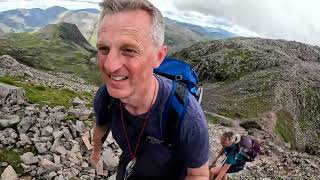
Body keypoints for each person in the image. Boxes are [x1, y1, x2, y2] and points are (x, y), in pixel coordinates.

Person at [90, 0, 209, 179]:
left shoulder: (187, 116)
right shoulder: (106, 96)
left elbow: (198, 175)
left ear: (159, 56)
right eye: (103, 48)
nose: (110, 65)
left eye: (129, 50)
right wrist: (96, 152)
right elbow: (101, 126)